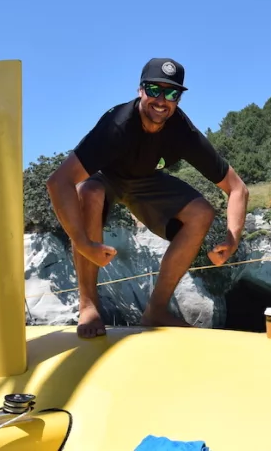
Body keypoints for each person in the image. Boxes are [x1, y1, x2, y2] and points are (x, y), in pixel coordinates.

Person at [47, 57, 249, 338]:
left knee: (202, 212)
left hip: (148, 183)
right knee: (89, 191)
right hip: (108, 177)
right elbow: (59, 182)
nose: (162, 100)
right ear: (140, 90)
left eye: (171, 93)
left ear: (178, 98)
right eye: (155, 90)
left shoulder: (182, 131)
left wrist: (232, 239)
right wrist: (83, 243)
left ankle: (156, 309)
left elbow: (237, 188)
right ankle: (89, 305)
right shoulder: (117, 125)